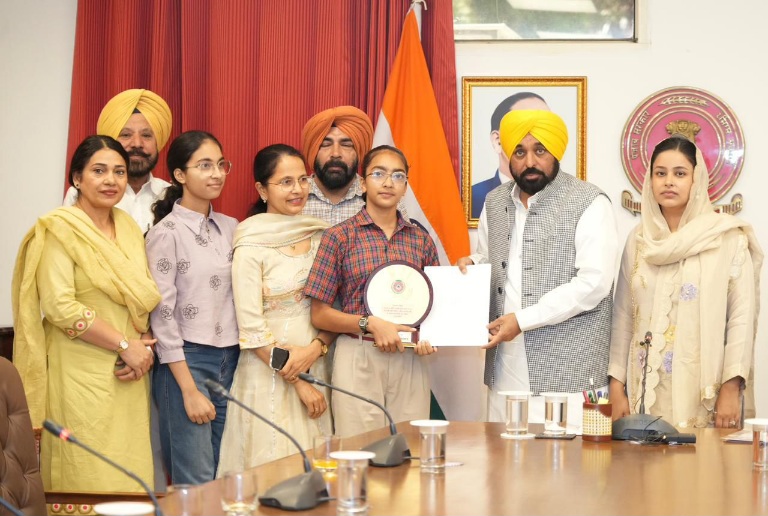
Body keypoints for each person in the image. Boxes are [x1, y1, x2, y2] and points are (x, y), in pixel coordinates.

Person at [12, 135, 160, 491]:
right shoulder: (59, 229)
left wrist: (142, 347)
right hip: (79, 371)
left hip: (130, 371)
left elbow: (141, 295)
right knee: (86, 468)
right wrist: (124, 344)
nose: (111, 180)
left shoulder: (128, 227)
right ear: (77, 178)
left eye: (119, 172)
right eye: (99, 171)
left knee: (128, 472)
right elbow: (60, 307)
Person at [456, 109, 617, 426]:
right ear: (507, 155)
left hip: (572, 372)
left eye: (540, 150)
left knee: (576, 457)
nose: (530, 162)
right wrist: (472, 265)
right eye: (519, 152)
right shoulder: (494, 201)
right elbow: (490, 257)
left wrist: (523, 320)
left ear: (555, 151)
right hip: (505, 368)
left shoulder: (590, 201)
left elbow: (593, 284)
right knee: (505, 453)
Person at [608, 136, 762, 429]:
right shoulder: (639, 240)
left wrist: (731, 387)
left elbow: (740, 319)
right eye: (660, 173)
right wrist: (616, 386)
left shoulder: (727, 238)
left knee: (702, 458)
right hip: (644, 391)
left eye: (680, 173)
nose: (669, 181)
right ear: (650, 180)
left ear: (697, 179)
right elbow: (623, 316)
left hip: (705, 393)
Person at [305, 145, 438, 438]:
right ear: (363, 184)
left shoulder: (421, 241)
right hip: (359, 353)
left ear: (406, 187)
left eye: (398, 176)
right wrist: (369, 323)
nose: (388, 182)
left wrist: (429, 337)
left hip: (409, 356)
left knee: (411, 449)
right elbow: (319, 314)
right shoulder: (339, 237)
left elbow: (434, 311)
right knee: (361, 451)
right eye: (379, 174)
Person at [217, 144, 334, 471]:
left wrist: (315, 350)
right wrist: (298, 380)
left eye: (302, 180)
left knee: (318, 475)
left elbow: (334, 308)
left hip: (317, 366)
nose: (297, 190)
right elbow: (251, 329)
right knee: (274, 474)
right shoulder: (250, 244)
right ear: (262, 190)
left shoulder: (320, 236)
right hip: (269, 375)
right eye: (285, 182)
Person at [145, 131, 239, 484]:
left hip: (233, 360)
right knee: (195, 480)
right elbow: (162, 314)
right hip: (187, 362)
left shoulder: (232, 228)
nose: (216, 174)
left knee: (226, 474)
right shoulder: (166, 233)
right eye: (204, 165)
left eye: (220, 165)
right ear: (180, 175)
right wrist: (187, 389)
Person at [64, 89, 173, 233]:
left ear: (158, 142)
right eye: (126, 135)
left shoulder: (171, 195)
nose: (137, 144)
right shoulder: (83, 193)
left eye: (146, 135)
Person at [301, 105, 408, 224]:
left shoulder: (384, 196)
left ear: (359, 152)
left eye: (346, 145)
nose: (335, 153)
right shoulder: (292, 195)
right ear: (313, 151)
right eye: (325, 145)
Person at [470, 92, 549, 218]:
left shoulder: (570, 198)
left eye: (547, 127)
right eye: (525, 126)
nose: (539, 135)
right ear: (498, 141)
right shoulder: (472, 199)